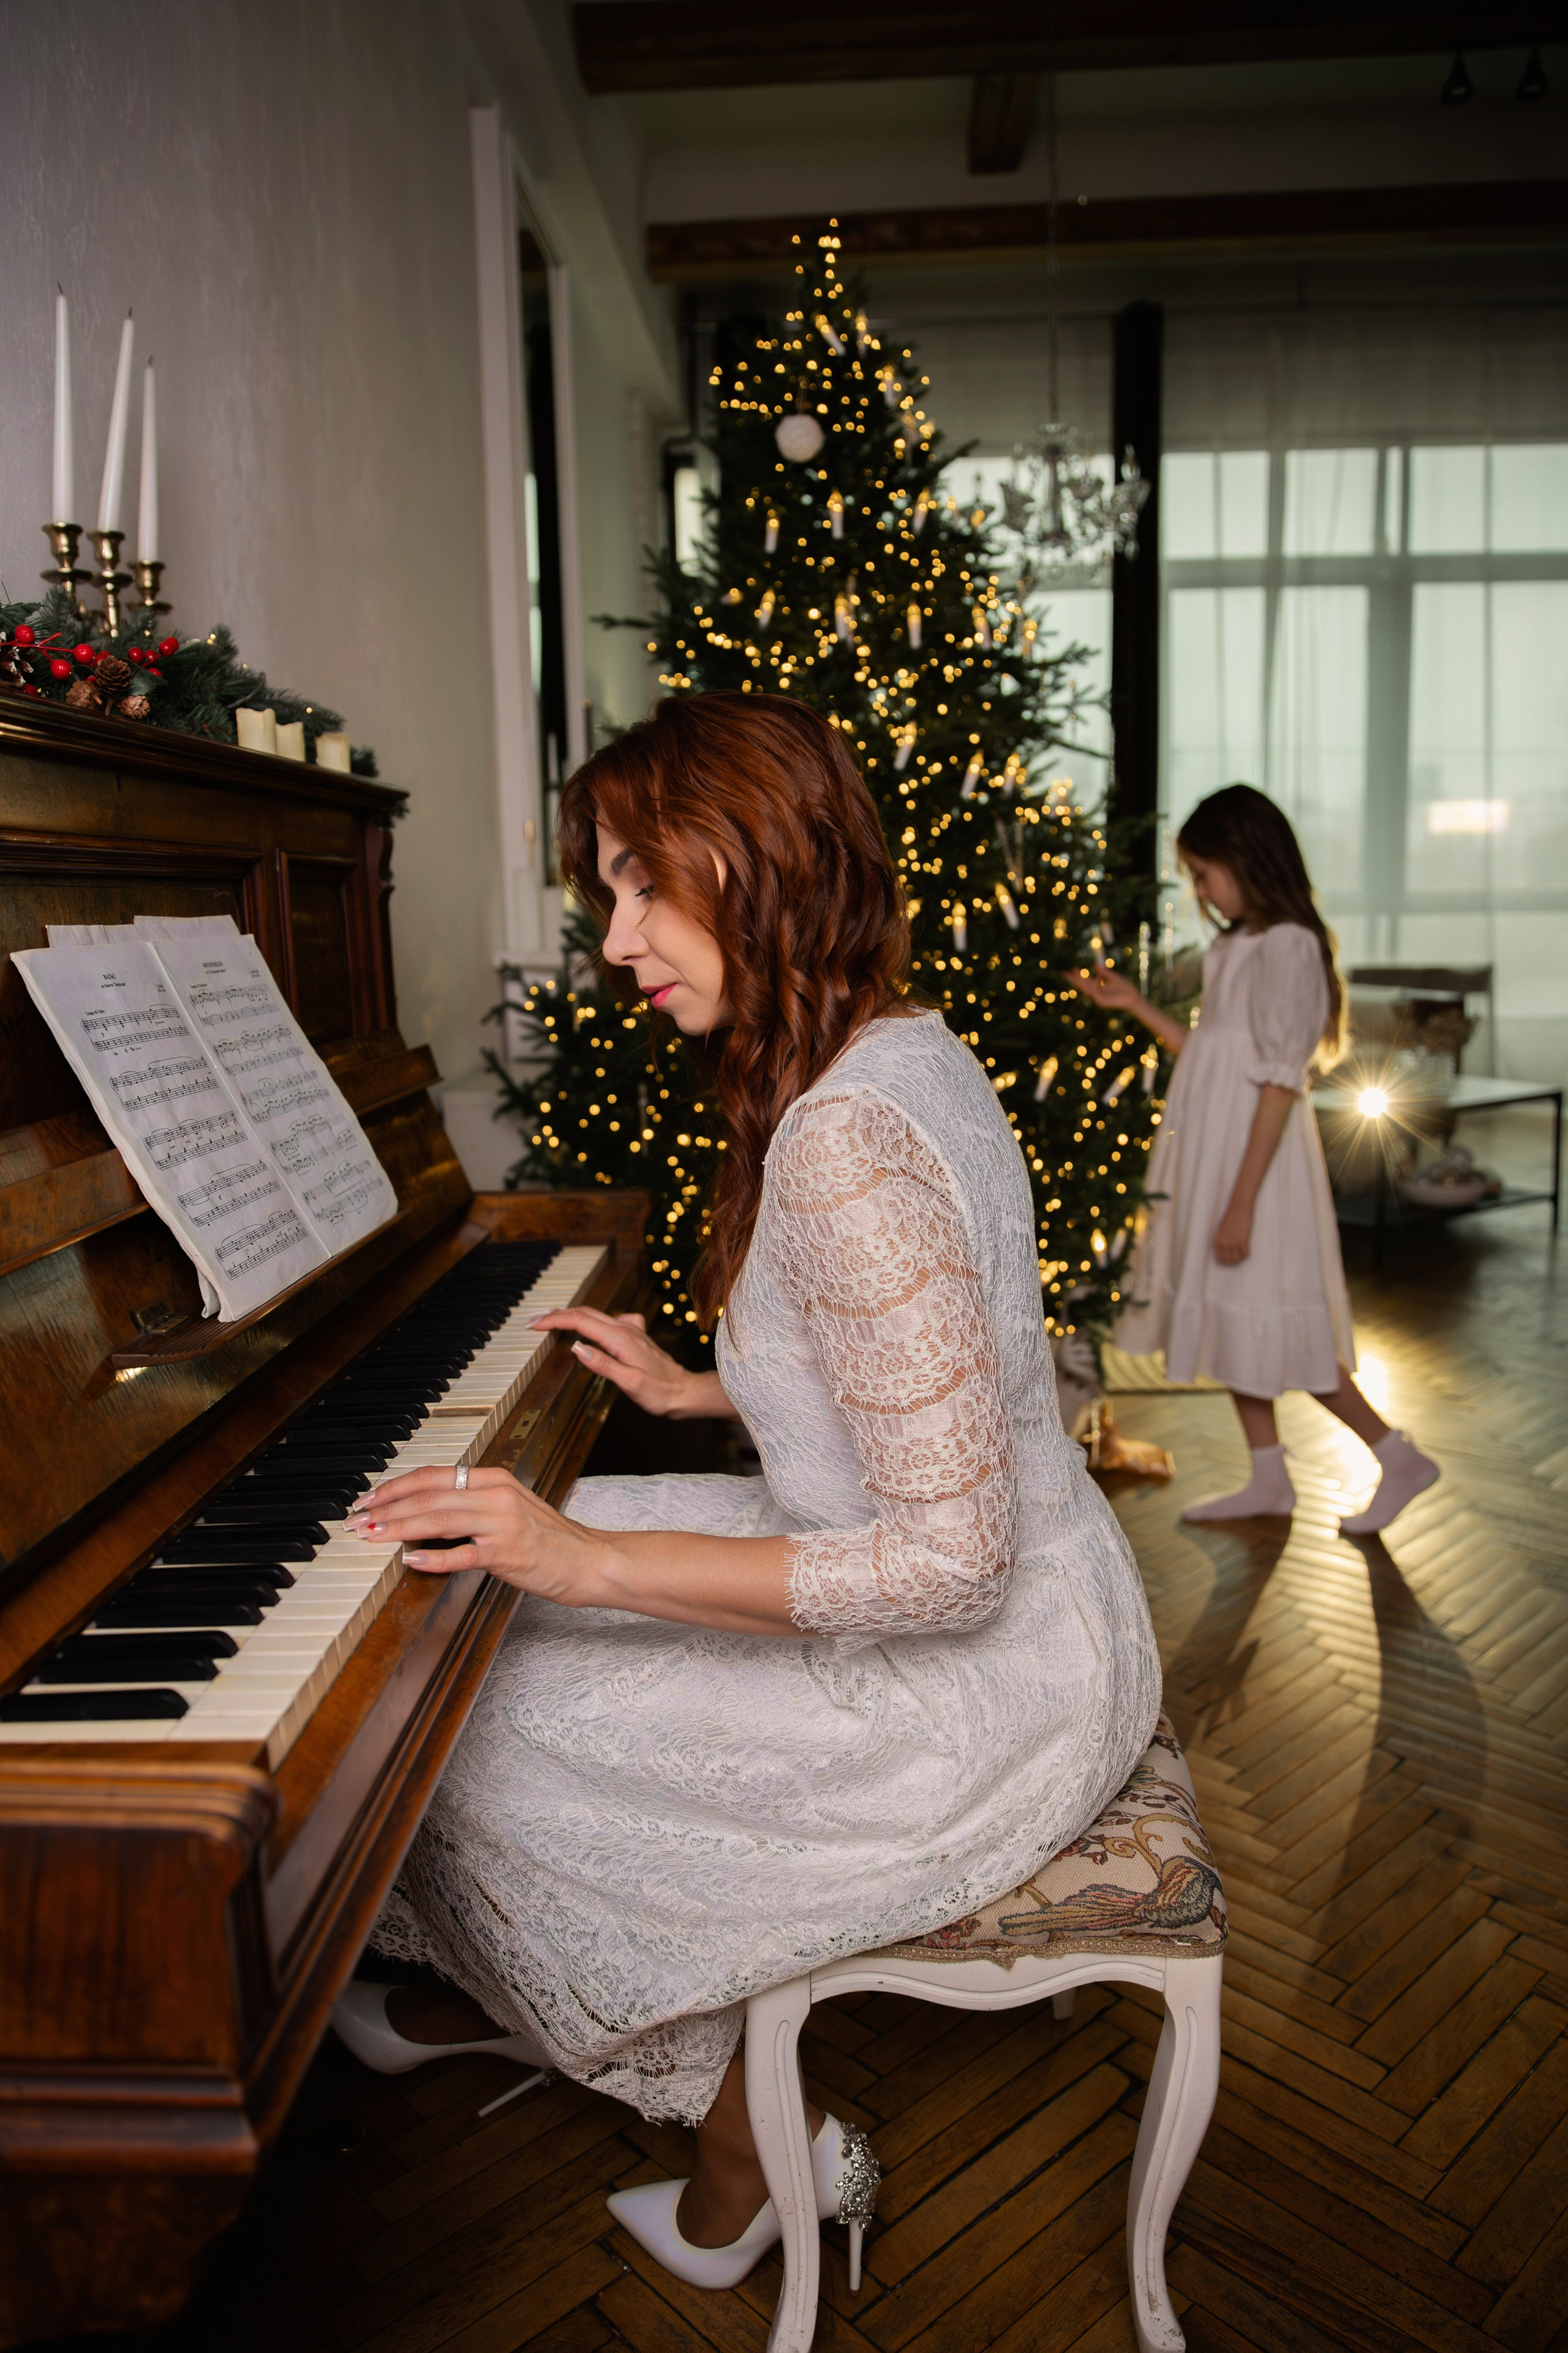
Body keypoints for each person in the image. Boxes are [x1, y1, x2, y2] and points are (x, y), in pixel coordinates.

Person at [331, 692, 1162, 2292]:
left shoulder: (845, 1133)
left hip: (982, 1682)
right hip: (1049, 1599)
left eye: (643, 882)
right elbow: (940, 1362)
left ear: (759, 854)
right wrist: (698, 1389)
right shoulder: (898, 1041)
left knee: (458, 1711)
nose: (616, 939)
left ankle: (745, 2148)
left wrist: (584, 1558)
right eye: (606, 892)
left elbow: (947, 1563)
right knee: (478, 1629)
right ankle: (505, 1993)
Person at [1066, 782, 1438, 1534]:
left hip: (1257, 1170)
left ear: (1244, 859)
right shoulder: (1233, 945)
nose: (1199, 891)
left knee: (1276, 1319)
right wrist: (1137, 1006)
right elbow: (1214, 1056)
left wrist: (1239, 1203)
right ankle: (1268, 1476)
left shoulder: (1289, 947)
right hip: (1220, 1157)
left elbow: (1276, 1084)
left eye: (1203, 874)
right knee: (1235, 1317)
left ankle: (1396, 1455)